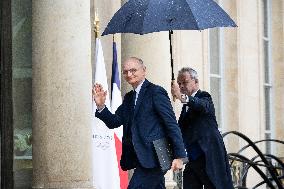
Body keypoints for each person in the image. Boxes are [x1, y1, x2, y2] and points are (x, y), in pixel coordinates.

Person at [92, 57, 187, 189]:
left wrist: (180, 156)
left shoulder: (156, 92)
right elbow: (115, 121)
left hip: (156, 158)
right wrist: (101, 106)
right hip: (140, 157)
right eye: (125, 72)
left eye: (133, 70)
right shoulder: (129, 98)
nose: (129, 74)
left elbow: (171, 124)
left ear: (144, 71)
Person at [171, 67, 234, 189]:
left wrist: (180, 96)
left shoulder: (204, 97)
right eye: (179, 84)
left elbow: (199, 105)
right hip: (193, 158)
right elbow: (181, 131)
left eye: (185, 82)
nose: (182, 86)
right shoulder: (185, 108)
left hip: (209, 156)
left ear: (196, 81)